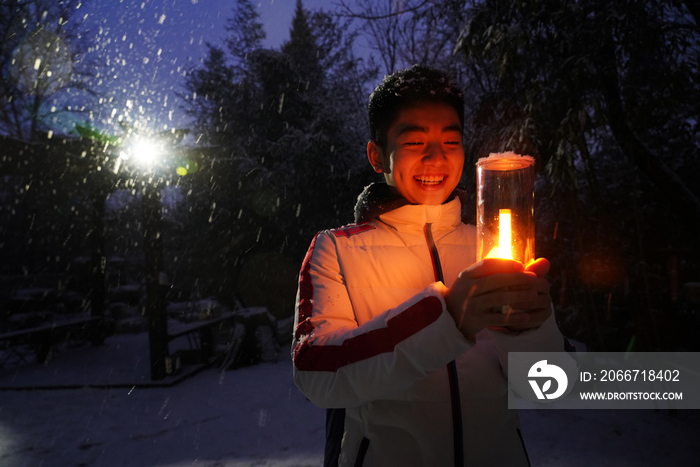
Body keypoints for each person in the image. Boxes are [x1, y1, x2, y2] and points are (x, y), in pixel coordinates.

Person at [292, 65, 568, 467]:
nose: (436, 156)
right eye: (415, 140)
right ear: (376, 155)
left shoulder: (493, 249)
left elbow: (550, 390)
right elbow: (316, 373)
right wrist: (448, 318)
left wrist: (529, 329)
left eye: (451, 141)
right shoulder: (337, 250)